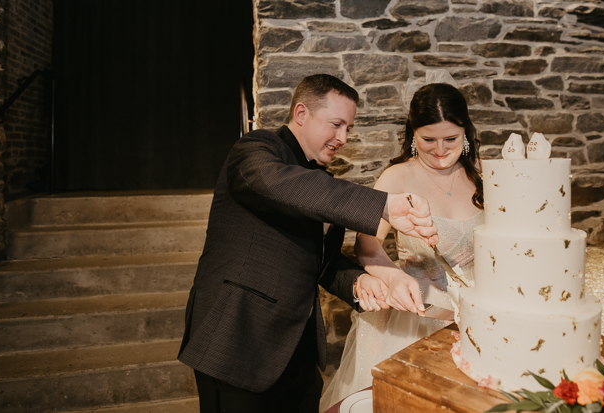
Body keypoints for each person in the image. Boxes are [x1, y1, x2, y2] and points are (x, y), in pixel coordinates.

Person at [177, 74, 438, 413]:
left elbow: (323, 264)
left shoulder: (320, 185)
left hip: (298, 355)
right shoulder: (255, 150)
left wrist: (361, 283)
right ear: (301, 113)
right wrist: (383, 205)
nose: (343, 138)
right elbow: (279, 186)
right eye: (336, 124)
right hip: (239, 341)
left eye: (349, 129)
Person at [320, 81, 485, 411]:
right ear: (413, 135)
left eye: (451, 139)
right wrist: (394, 278)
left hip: (475, 314)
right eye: (428, 140)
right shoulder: (397, 178)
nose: (439, 150)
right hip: (416, 312)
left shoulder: (482, 175)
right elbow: (367, 248)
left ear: (465, 132)